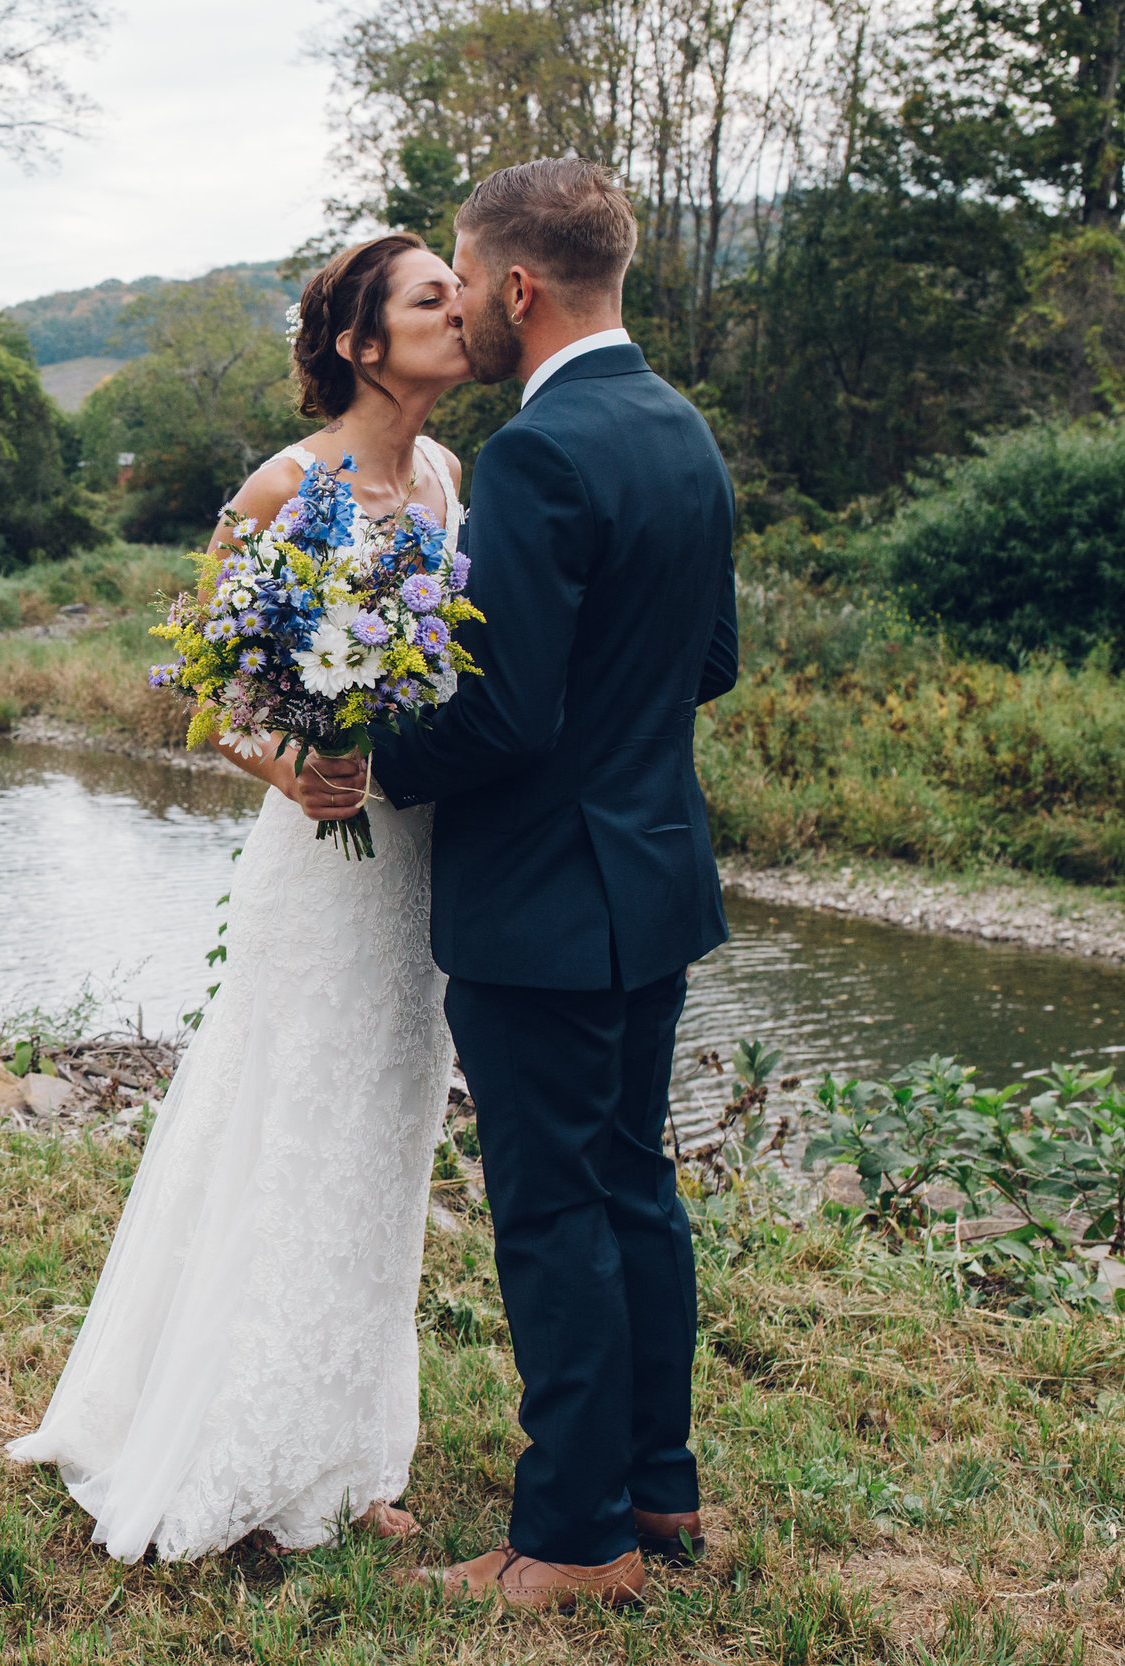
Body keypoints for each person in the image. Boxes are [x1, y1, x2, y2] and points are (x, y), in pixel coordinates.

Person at [292, 158, 740, 1609]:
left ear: (519, 287)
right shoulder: (681, 431)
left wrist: (370, 746)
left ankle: (569, 1537)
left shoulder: (543, 455)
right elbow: (707, 663)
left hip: (545, 897)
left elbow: (502, 714)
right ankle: (658, 1491)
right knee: (633, 1187)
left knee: (554, 1211)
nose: (463, 304)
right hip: (652, 873)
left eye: (469, 280)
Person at [4, 231, 474, 1561]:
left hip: (422, 859)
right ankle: (241, 1447)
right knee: (290, 1127)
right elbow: (206, 689)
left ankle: (355, 1452)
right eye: (431, 300)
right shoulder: (282, 486)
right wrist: (291, 768)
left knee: (384, 1142)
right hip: (323, 872)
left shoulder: (444, 473)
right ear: (361, 344)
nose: (459, 313)